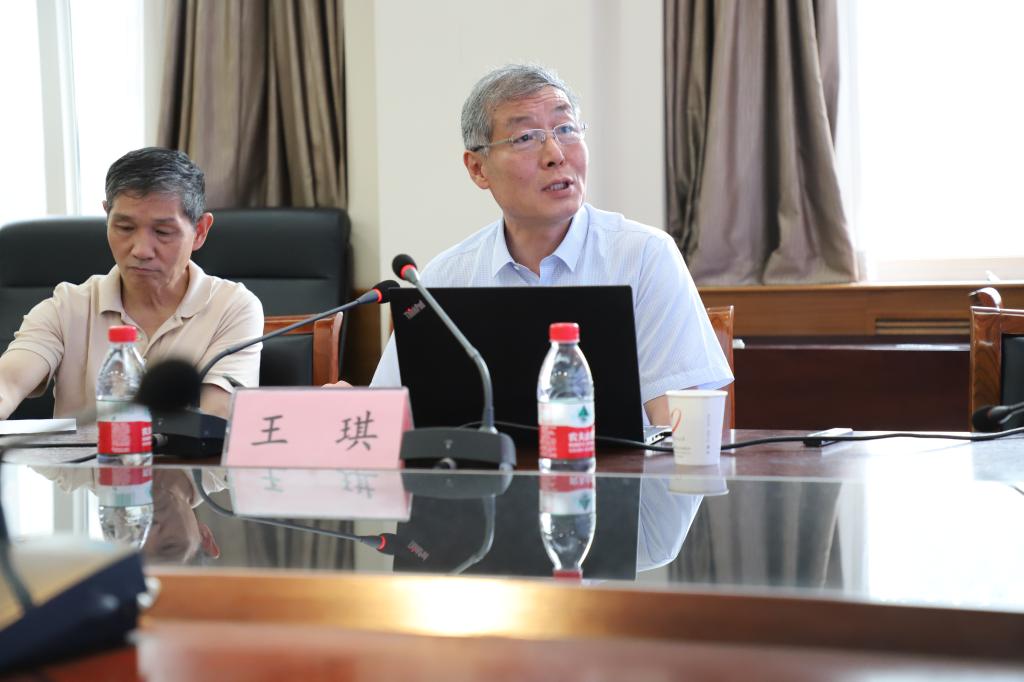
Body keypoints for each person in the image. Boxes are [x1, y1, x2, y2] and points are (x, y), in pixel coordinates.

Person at [370, 64, 731, 425]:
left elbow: (681, 429)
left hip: (619, 465)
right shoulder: (443, 279)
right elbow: (387, 416)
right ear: (478, 168)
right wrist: (349, 406)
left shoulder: (644, 257)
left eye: (566, 129)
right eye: (525, 137)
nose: (555, 153)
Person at [0, 147, 263, 420]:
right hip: (85, 451)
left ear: (199, 231)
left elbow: (217, 418)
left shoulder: (232, 307)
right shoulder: (67, 307)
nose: (141, 250)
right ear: (107, 217)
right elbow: (7, 382)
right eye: (125, 228)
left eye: (162, 232)